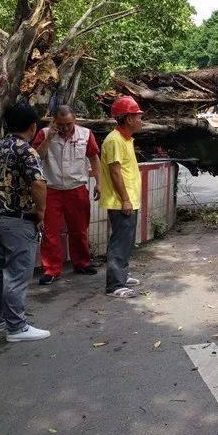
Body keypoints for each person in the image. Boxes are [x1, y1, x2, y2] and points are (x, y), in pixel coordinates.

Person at [0, 103, 50, 341]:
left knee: (1, 272)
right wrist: (40, 211)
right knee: (18, 274)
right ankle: (16, 327)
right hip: (18, 222)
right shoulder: (25, 150)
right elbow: (39, 183)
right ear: (33, 127)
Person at [32, 105, 101, 285]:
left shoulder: (85, 134)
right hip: (51, 189)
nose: (65, 128)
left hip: (77, 188)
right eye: (60, 124)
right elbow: (35, 158)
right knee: (50, 232)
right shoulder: (44, 133)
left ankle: (82, 263)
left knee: (79, 230)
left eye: (68, 124)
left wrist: (99, 183)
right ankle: (51, 269)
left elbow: (94, 158)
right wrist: (49, 139)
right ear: (54, 121)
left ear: (75, 119)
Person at [99, 96, 144, 298]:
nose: (141, 120)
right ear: (128, 119)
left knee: (126, 240)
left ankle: (121, 276)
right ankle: (115, 285)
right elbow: (115, 172)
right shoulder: (115, 140)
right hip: (121, 201)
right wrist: (125, 199)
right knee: (120, 241)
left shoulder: (125, 139)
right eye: (138, 116)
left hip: (127, 200)